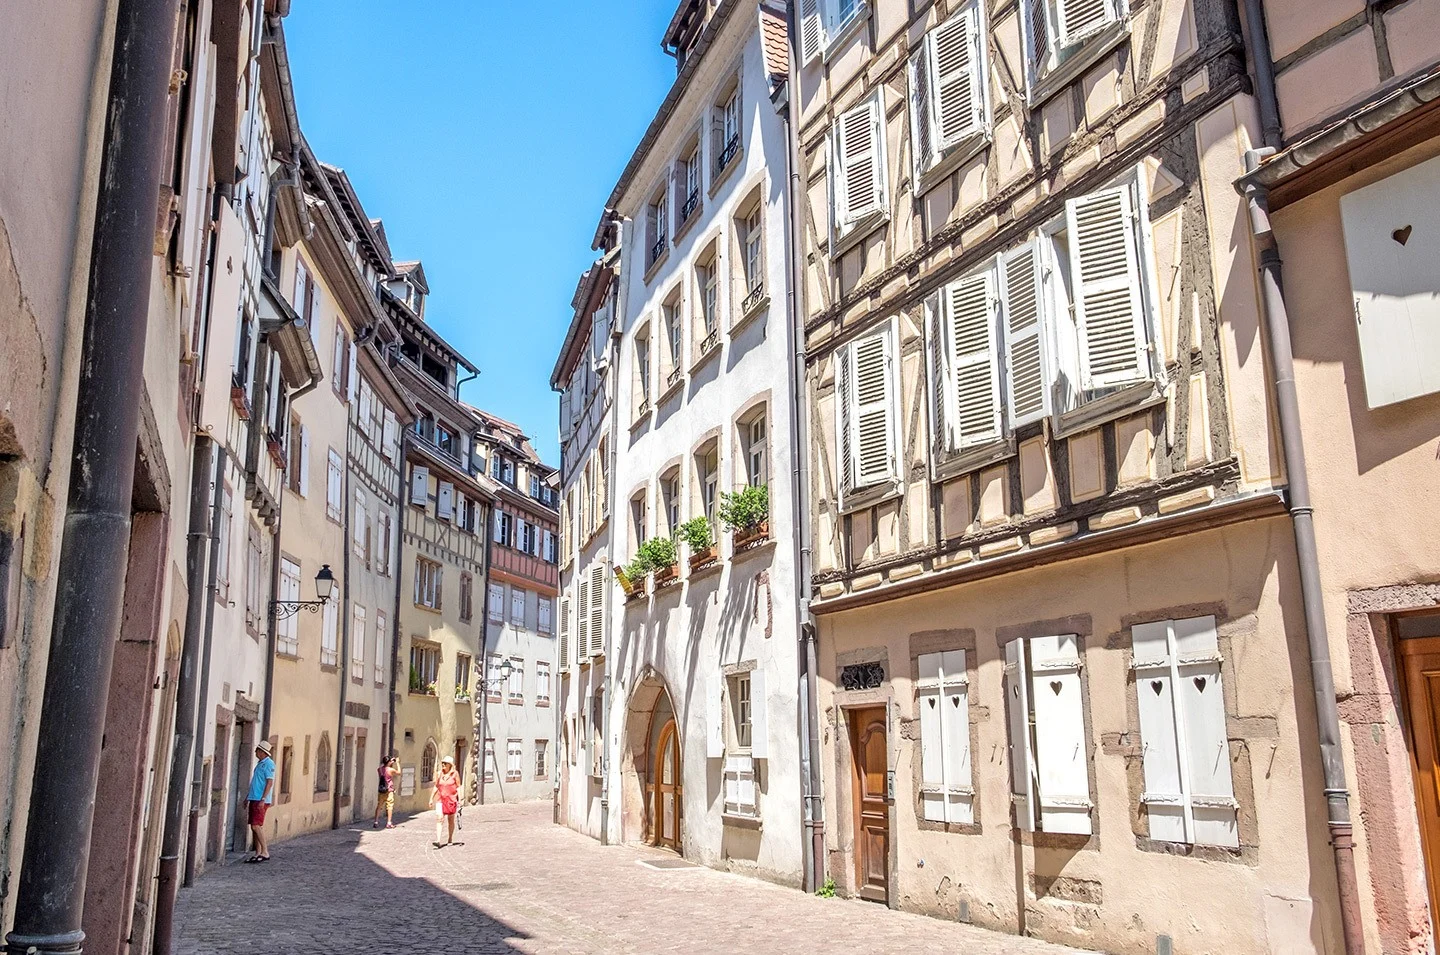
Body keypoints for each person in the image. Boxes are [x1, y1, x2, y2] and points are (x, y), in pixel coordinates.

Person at [246, 740, 276, 863]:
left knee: (256, 825)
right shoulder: (260, 764)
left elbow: (269, 782)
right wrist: (248, 797)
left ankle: (265, 851)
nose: (255, 752)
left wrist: (263, 799)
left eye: (257, 750)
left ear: (262, 752)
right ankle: (258, 852)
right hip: (254, 797)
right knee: (254, 827)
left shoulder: (269, 764)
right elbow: (256, 782)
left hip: (260, 799)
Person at [431, 755, 461, 848]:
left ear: (450, 765)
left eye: (445, 763)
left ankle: (450, 838)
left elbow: (458, 786)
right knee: (439, 819)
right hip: (441, 800)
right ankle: (438, 840)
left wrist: (460, 800)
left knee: (450, 820)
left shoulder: (455, 774)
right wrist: (431, 798)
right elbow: (436, 786)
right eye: (442, 763)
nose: (443, 764)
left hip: (451, 800)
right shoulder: (440, 774)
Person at [373, 755, 398, 829]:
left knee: (379, 806)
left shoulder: (379, 769)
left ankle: (376, 822)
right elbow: (399, 772)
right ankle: (389, 823)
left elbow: (382, 769)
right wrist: (397, 763)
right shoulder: (391, 770)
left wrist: (388, 762)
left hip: (381, 789)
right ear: (389, 762)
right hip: (389, 790)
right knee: (389, 806)